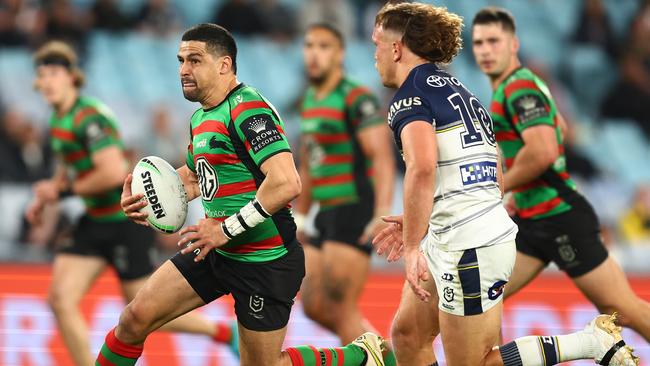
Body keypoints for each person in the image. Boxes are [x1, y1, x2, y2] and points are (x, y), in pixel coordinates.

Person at [94, 23, 386, 366]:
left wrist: (224, 229)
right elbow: (193, 178)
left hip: (264, 260)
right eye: (180, 60)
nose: (184, 69)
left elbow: (286, 182)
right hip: (216, 250)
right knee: (134, 319)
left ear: (224, 65)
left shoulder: (247, 109)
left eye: (195, 60)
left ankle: (359, 356)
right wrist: (148, 198)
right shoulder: (201, 117)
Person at [370, 3, 639, 366]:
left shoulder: (408, 99)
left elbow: (421, 168)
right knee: (408, 335)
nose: (374, 56)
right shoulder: (461, 91)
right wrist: (423, 216)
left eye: (377, 45)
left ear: (397, 48)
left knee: (475, 362)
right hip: (466, 234)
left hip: (466, 247)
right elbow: (488, 172)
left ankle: (590, 342)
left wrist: (413, 243)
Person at [25, 40, 237, 366]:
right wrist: (49, 193)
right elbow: (70, 165)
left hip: (127, 220)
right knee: (60, 299)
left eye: (54, 73)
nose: (47, 81)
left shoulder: (89, 117)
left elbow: (111, 172)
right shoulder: (58, 121)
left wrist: (61, 193)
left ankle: (222, 333)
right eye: (42, 75)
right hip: (95, 220)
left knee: (143, 309)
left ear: (71, 77)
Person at [296, 23, 397, 365]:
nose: (313, 53)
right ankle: (379, 357)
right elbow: (310, 163)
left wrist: (380, 212)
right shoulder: (310, 99)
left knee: (340, 305)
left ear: (339, 54)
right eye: (309, 45)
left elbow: (381, 156)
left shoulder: (356, 97)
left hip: (354, 206)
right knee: (315, 306)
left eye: (323, 46)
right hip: (325, 212)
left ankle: (383, 360)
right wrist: (299, 214)